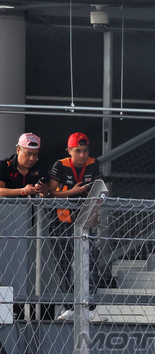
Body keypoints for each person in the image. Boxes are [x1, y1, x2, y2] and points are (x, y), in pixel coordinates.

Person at [48, 134, 104, 322]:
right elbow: (52, 192)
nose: (81, 155)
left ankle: (91, 307)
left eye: (85, 150)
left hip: (86, 220)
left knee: (91, 263)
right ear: (69, 151)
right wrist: (73, 192)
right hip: (61, 221)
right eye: (77, 151)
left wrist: (94, 215)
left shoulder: (94, 164)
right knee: (63, 264)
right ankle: (69, 306)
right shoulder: (60, 165)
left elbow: (99, 190)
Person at [0, 133, 47, 198]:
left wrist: (44, 190)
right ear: (18, 150)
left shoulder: (40, 166)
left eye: (35, 155)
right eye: (28, 154)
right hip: (7, 207)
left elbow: (48, 190)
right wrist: (23, 191)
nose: (32, 159)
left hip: (32, 207)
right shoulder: (4, 165)